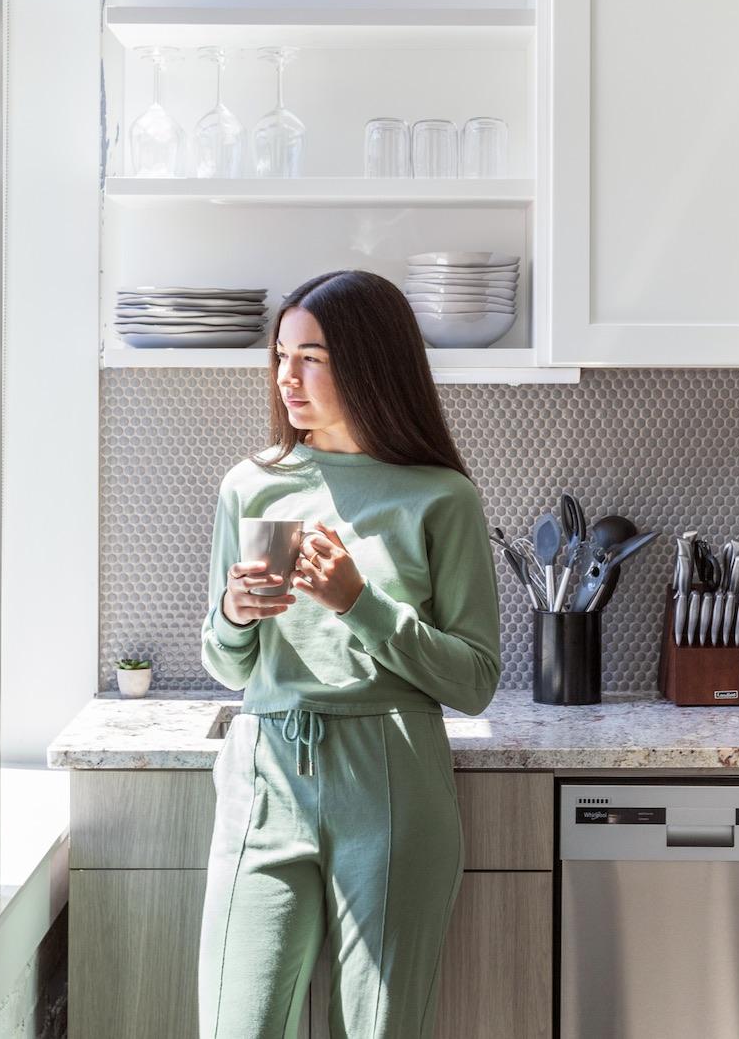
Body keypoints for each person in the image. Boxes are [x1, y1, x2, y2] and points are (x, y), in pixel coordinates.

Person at [197, 269, 502, 1039]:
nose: (285, 377)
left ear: (369, 363)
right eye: (280, 355)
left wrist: (359, 604)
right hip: (265, 775)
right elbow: (228, 664)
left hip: (392, 778)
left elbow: (474, 680)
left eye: (312, 357)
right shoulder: (249, 486)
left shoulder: (440, 496)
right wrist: (236, 612)